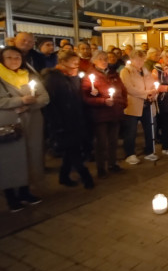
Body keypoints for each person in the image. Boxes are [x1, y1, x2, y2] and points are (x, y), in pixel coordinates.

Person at [0, 47, 50, 212]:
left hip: (32, 122)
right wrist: (20, 101)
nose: (14, 60)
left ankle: (25, 191)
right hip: (9, 124)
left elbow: (44, 97)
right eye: (9, 57)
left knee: (29, 156)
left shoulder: (29, 75)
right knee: (9, 158)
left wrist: (29, 105)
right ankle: (10, 196)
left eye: (17, 57)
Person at [42, 50, 94, 188]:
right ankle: (85, 176)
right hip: (62, 121)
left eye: (77, 62)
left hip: (76, 119)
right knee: (73, 150)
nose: (76, 64)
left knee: (71, 150)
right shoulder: (53, 78)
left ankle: (64, 176)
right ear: (63, 62)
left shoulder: (74, 76)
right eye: (73, 61)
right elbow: (51, 103)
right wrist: (56, 123)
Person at [82, 51, 128, 177]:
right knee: (101, 143)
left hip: (115, 112)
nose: (104, 61)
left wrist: (123, 103)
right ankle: (101, 168)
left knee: (113, 141)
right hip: (100, 114)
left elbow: (123, 90)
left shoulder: (114, 74)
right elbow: (86, 98)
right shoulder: (89, 77)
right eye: (101, 59)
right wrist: (102, 101)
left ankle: (113, 164)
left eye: (106, 58)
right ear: (94, 61)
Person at [120, 50, 158, 164]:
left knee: (149, 128)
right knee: (131, 131)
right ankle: (130, 153)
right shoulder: (126, 71)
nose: (140, 62)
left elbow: (153, 84)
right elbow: (129, 88)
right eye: (137, 59)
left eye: (142, 59)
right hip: (133, 104)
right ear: (131, 59)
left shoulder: (145, 71)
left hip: (147, 104)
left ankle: (149, 151)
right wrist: (146, 93)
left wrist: (154, 93)